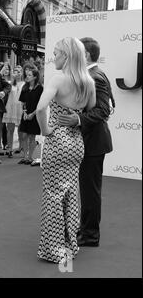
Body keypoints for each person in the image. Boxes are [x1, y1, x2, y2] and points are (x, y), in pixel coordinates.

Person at [36, 37, 96, 264]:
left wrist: (46, 130)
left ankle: (54, 249)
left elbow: (41, 107)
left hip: (58, 141)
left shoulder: (59, 79)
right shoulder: (87, 82)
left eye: (57, 54)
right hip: (76, 143)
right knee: (71, 195)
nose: (53, 58)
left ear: (67, 56)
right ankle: (70, 244)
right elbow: (89, 113)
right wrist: (76, 119)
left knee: (53, 195)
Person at [58, 37, 114, 247]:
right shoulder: (93, 74)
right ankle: (86, 228)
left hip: (93, 143)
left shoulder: (95, 76)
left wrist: (78, 119)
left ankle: (90, 234)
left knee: (90, 191)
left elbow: (103, 109)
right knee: (87, 189)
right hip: (89, 142)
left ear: (86, 55)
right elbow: (109, 104)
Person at [18, 69, 43, 166]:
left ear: (35, 77)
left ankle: (30, 157)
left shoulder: (40, 88)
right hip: (25, 115)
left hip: (35, 115)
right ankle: (25, 157)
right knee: (23, 135)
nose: (27, 76)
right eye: (27, 75)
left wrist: (32, 114)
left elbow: (41, 104)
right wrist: (24, 112)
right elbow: (23, 102)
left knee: (32, 136)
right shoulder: (25, 87)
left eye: (29, 75)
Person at [2, 66, 25, 158]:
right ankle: (10, 149)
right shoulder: (9, 84)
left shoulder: (25, 84)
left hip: (20, 108)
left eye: (19, 71)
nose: (18, 73)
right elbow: (1, 79)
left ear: (22, 73)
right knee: (10, 129)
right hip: (11, 108)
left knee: (21, 129)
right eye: (16, 71)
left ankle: (21, 146)